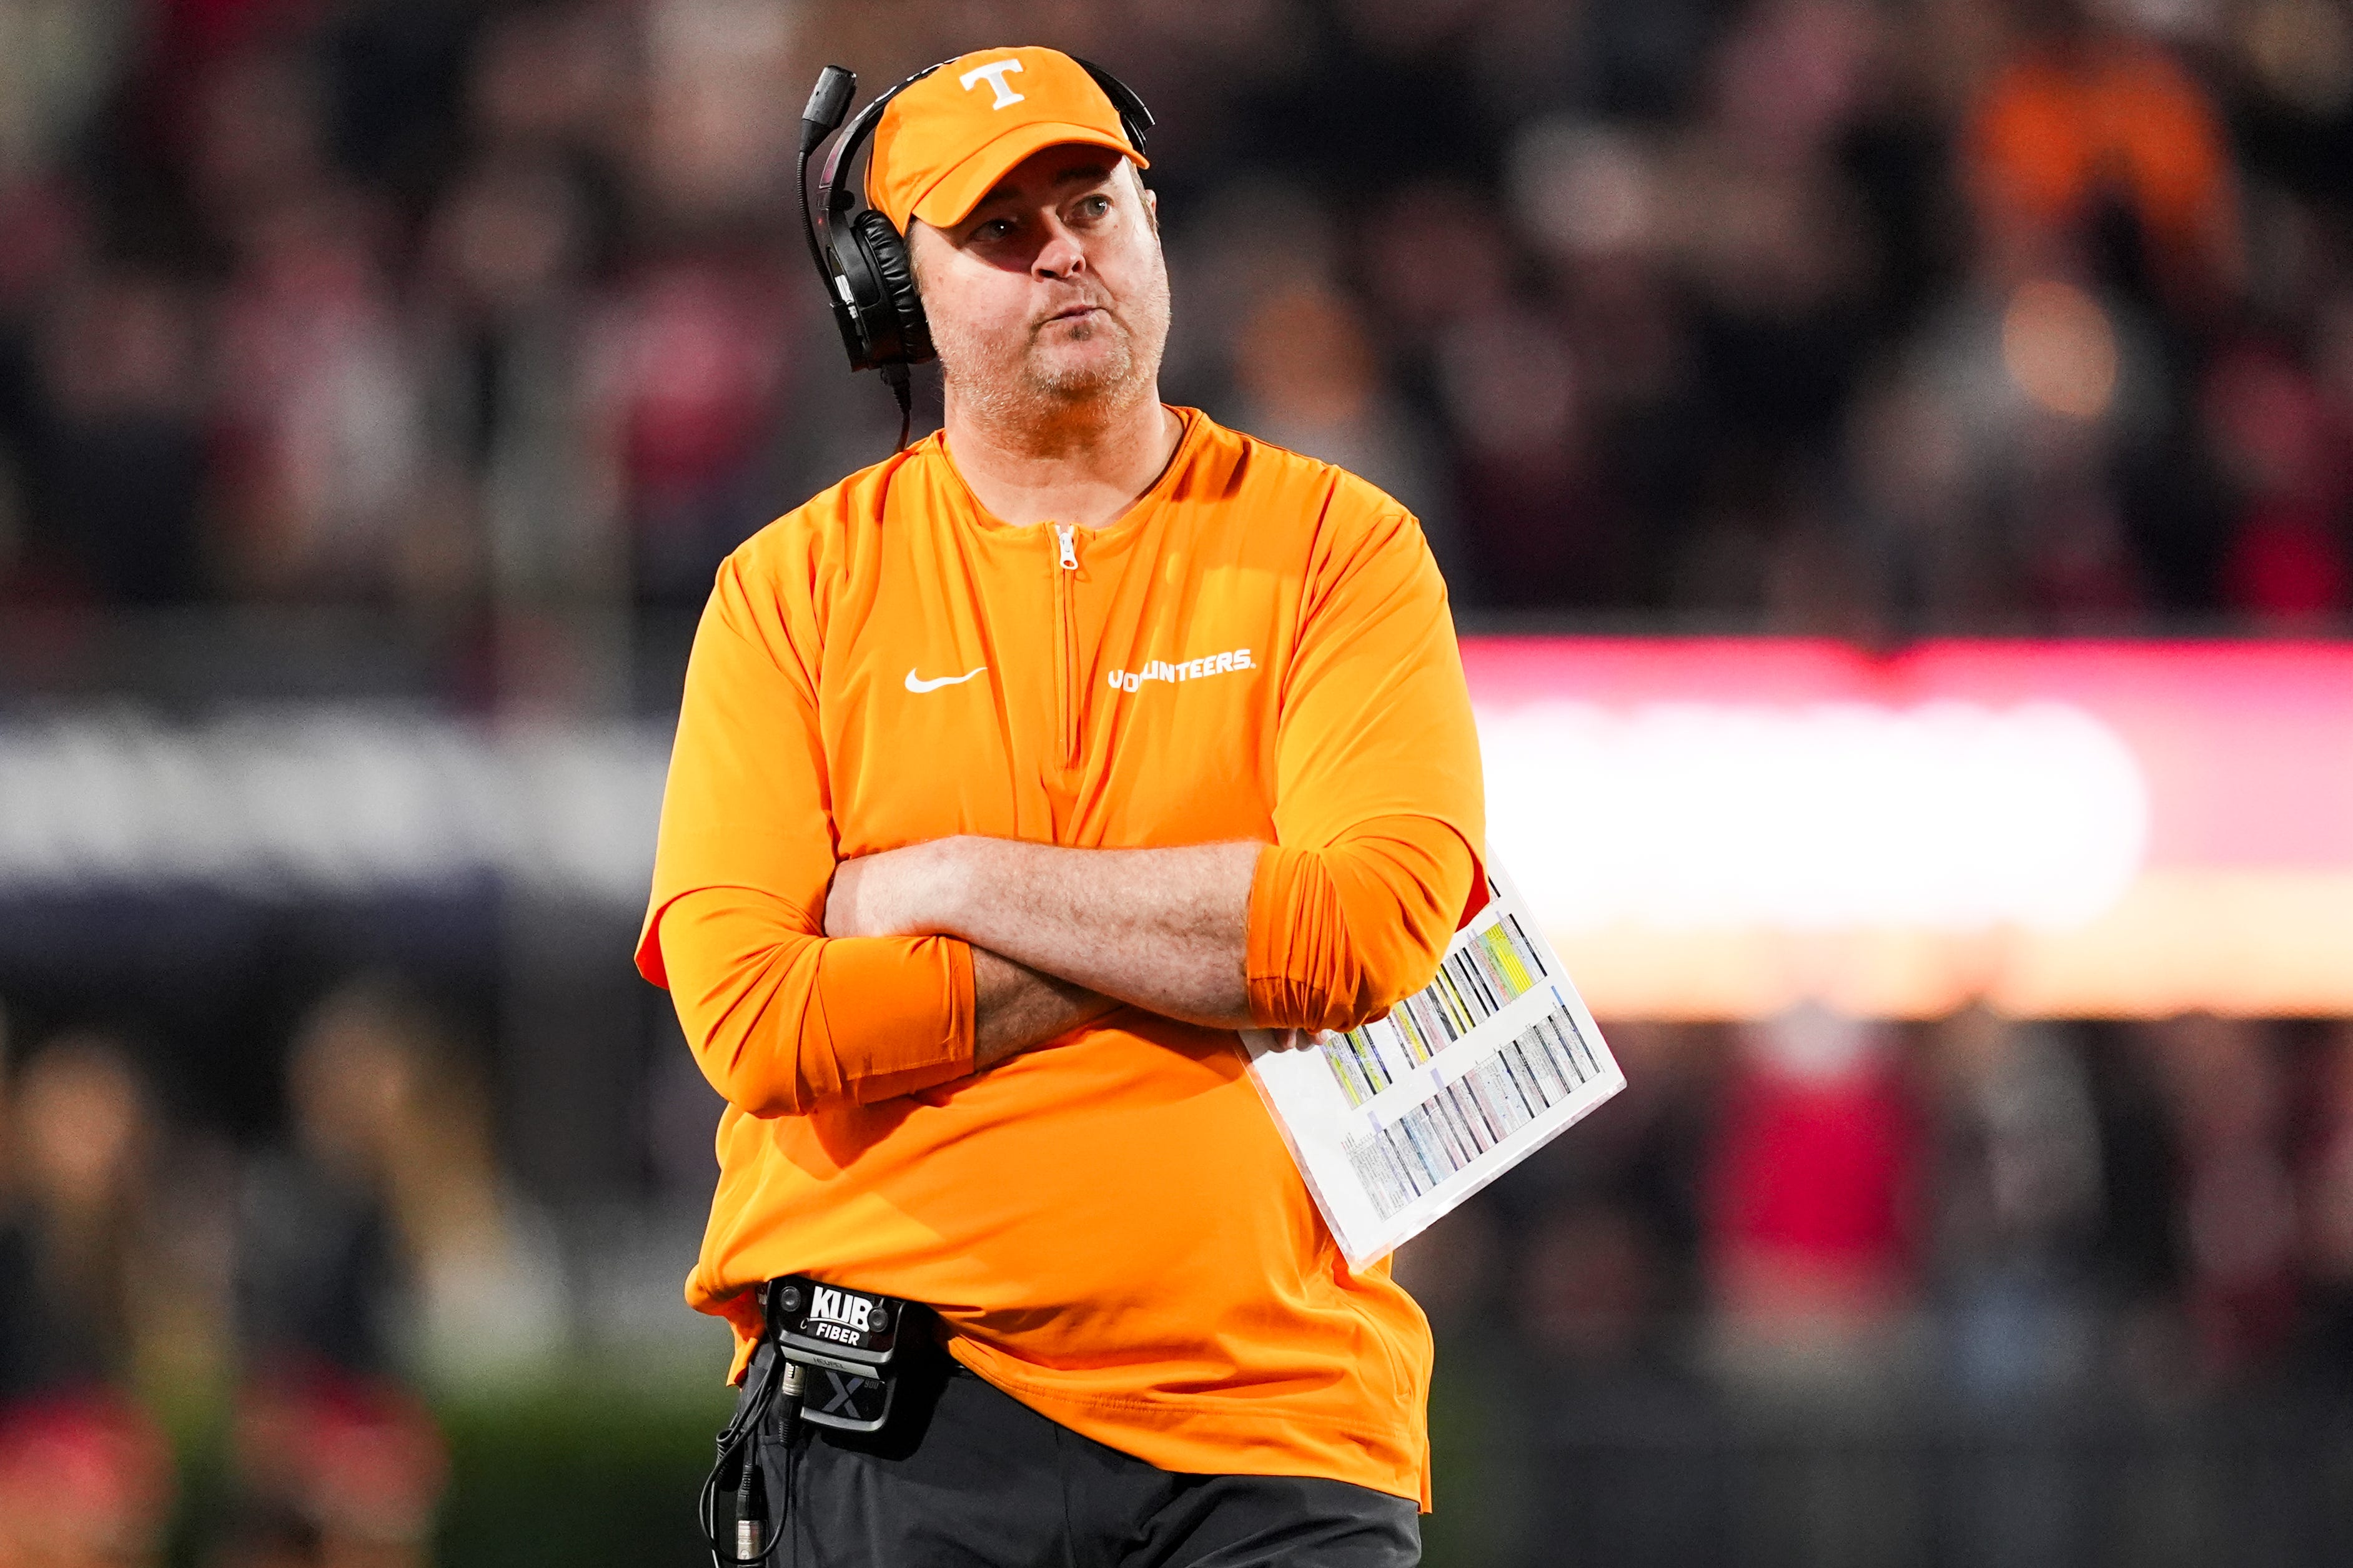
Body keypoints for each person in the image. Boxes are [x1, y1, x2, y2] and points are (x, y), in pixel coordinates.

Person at [638, 45, 1485, 1567]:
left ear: (1155, 226)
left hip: (1279, 1421)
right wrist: (1212, 949)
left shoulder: (1343, 548)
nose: (1065, 254)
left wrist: (950, 878)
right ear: (893, 292)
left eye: (1092, 203)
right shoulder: (786, 593)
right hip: (899, 1410)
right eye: (1000, 231)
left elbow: (1367, 930)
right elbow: (761, 1020)